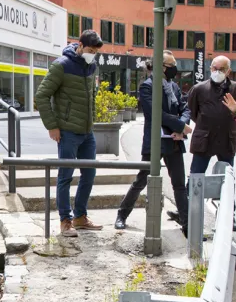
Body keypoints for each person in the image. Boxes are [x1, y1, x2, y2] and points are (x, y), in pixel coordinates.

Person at [35, 30, 105, 237]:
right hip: (67, 131)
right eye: (90, 50)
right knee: (65, 176)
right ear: (80, 45)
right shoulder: (61, 65)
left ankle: (80, 217)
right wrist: (52, 126)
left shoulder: (91, 66)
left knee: (89, 174)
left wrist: (92, 119)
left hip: (87, 132)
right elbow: (41, 96)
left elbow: (92, 95)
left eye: (96, 52)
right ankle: (65, 220)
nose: (92, 54)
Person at [114, 51, 191, 232]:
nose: (175, 69)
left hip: (174, 141)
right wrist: (180, 125)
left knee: (179, 184)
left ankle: (187, 224)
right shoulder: (147, 87)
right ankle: (122, 215)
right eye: (172, 65)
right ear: (161, 67)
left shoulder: (174, 86)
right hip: (156, 142)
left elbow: (185, 108)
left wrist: (182, 127)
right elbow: (156, 114)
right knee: (141, 181)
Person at [187, 55, 236, 231]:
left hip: (227, 139)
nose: (217, 72)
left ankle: (229, 216)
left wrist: (234, 112)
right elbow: (193, 112)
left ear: (228, 71)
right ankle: (186, 212)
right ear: (210, 68)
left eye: (221, 69)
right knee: (196, 175)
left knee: (228, 180)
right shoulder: (199, 89)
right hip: (204, 138)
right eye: (214, 68)